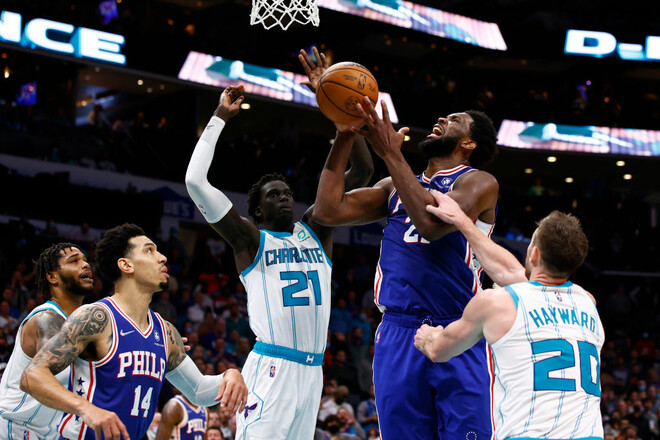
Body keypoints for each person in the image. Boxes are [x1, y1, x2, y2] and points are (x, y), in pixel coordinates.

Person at [185, 53, 373, 439]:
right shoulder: (250, 239)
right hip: (272, 366)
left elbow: (364, 171)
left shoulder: (317, 228)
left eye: (287, 192)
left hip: (313, 371)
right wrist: (219, 117)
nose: (284, 197)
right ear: (257, 210)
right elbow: (195, 182)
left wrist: (341, 119)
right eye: (273, 195)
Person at [311, 75, 499, 437]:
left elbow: (431, 224)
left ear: (468, 143)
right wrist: (345, 133)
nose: (442, 119)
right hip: (398, 332)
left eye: (454, 120)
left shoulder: (479, 182)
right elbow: (327, 210)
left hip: (458, 329)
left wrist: (389, 153)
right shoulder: (392, 187)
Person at [21, 223, 247, 440]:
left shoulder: (166, 332)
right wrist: (87, 409)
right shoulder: (96, 317)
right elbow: (32, 376)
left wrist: (229, 376)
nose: (162, 257)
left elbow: (197, 390)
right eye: (149, 250)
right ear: (126, 265)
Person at [415, 191, 604, 439]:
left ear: (534, 253)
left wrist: (427, 335)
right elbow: (510, 273)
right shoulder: (588, 301)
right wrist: (462, 221)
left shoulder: (496, 303)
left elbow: (438, 350)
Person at [0, 243, 93, 440]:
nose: (85, 265)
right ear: (52, 277)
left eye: (85, 260)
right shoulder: (46, 318)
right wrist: (88, 409)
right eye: (74, 261)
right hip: (13, 428)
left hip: (44, 433)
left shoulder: (76, 325)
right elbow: (41, 375)